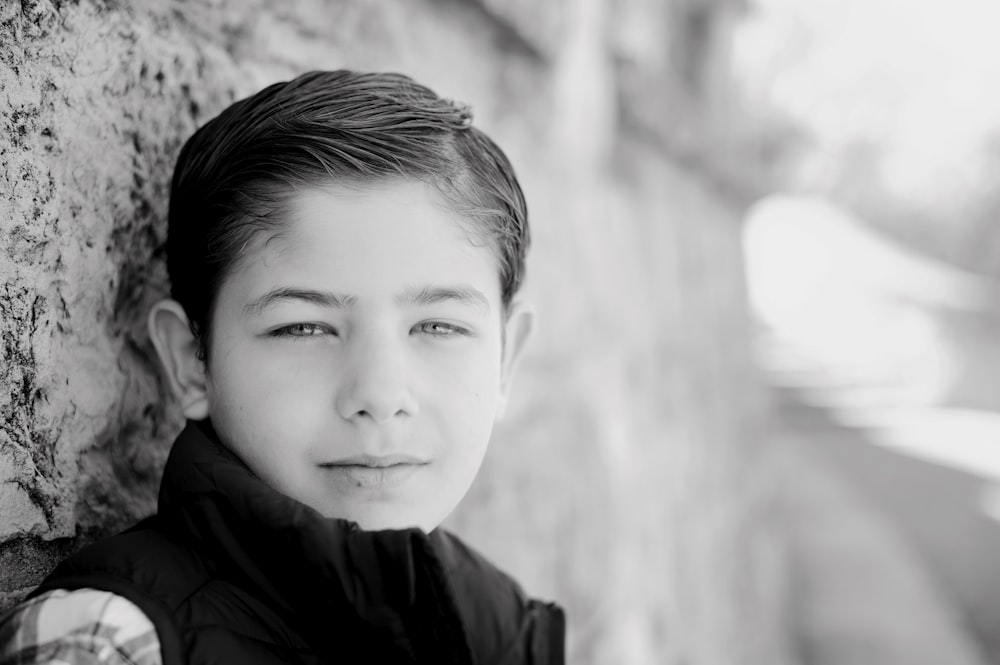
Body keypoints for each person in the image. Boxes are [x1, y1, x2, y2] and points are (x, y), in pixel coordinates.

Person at [0, 69, 565, 664]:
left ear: (506, 357)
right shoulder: (110, 643)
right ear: (192, 362)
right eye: (304, 327)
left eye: (439, 326)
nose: (378, 394)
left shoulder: (505, 631)